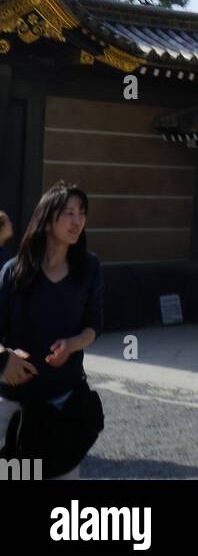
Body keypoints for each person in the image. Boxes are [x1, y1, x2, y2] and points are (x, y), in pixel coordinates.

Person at [0, 181, 104, 479]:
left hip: (63, 402)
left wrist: (72, 344)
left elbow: (94, 324)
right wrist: (5, 358)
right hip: (13, 402)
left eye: (82, 213)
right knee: (15, 475)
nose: (77, 221)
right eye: (68, 212)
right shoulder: (14, 272)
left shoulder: (89, 268)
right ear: (47, 220)